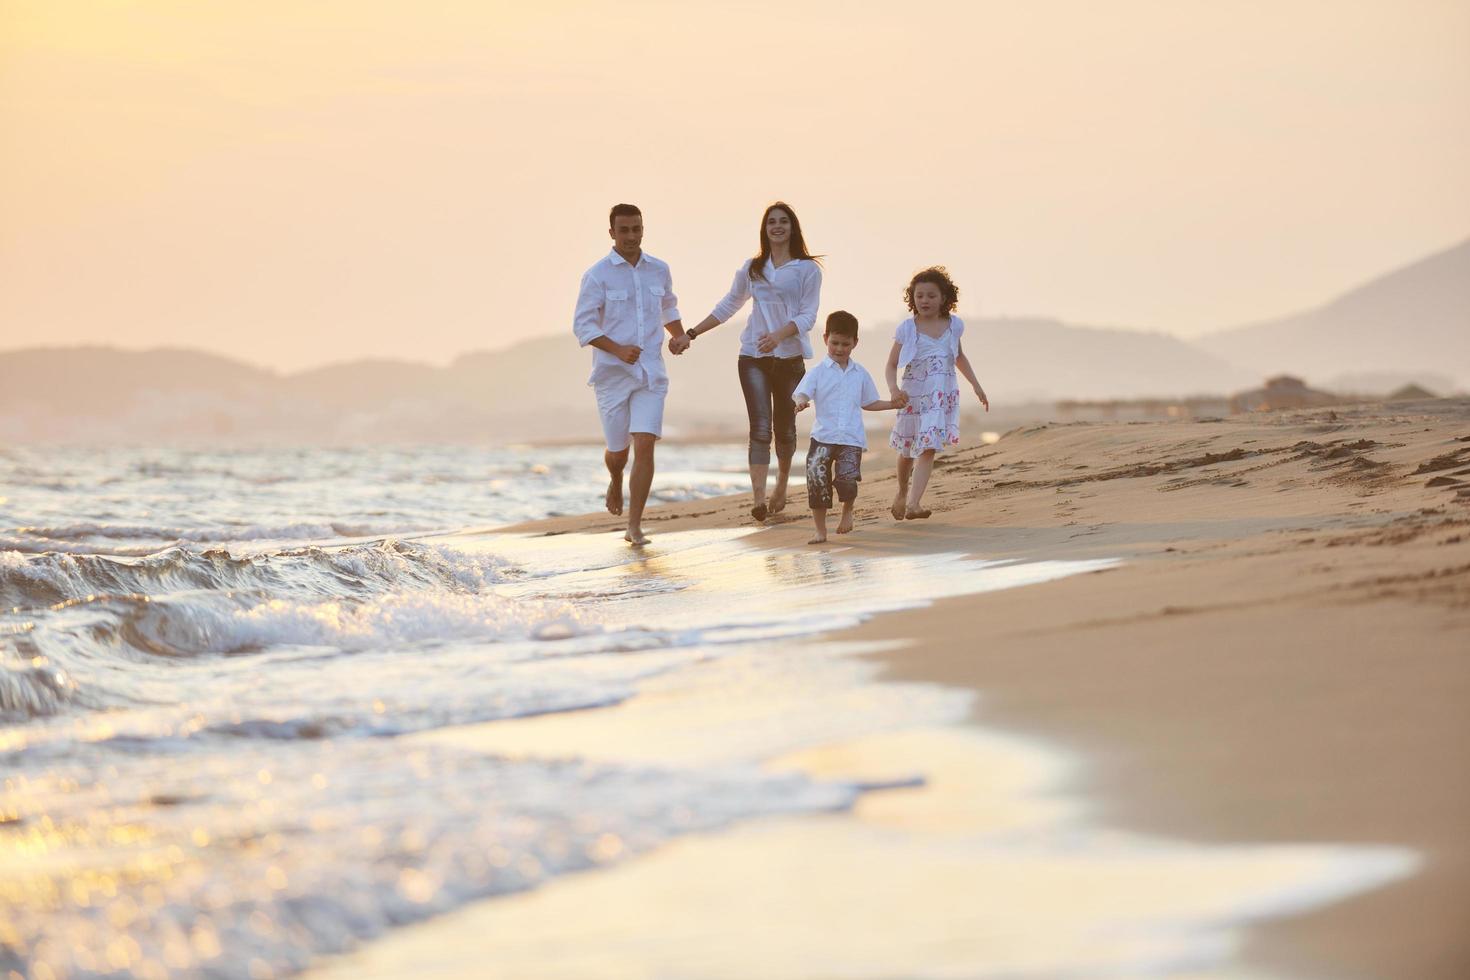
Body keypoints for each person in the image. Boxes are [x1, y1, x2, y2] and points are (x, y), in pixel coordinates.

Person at [676, 202, 822, 523]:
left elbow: (808, 315)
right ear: (764, 228)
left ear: (793, 228)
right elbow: (730, 304)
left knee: (784, 428)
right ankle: (758, 499)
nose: (777, 226)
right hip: (752, 357)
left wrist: (779, 336)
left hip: (789, 359)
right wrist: (692, 333)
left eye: (784, 221)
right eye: (772, 222)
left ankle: (781, 483)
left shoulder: (806, 269)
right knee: (759, 427)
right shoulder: (753, 268)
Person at [572, 203, 688, 545]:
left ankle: (634, 526)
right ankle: (615, 478)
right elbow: (583, 325)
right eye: (624, 230)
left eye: (636, 229)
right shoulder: (597, 275)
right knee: (618, 451)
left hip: (651, 373)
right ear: (611, 233)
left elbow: (668, 306)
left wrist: (677, 336)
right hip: (611, 376)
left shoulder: (659, 269)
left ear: (642, 229)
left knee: (646, 445)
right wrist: (618, 350)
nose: (631, 236)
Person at [793, 311, 908, 544]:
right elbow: (801, 393)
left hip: (851, 438)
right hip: (822, 437)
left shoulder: (860, 374)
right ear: (825, 339)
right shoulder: (818, 372)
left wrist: (891, 404)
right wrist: (800, 403)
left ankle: (847, 512)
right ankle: (820, 530)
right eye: (835, 343)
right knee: (816, 480)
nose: (839, 348)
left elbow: (868, 402)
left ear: (855, 342)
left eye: (845, 344)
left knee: (846, 479)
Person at [885, 266, 989, 520]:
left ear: (944, 298)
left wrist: (976, 384)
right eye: (919, 295)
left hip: (940, 397)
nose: (925, 301)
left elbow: (959, 356)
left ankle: (914, 504)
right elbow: (890, 365)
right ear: (912, 298)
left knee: (928, 447)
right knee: (907, 449)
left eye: (931, 295)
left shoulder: (954, 326)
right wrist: (894, 390)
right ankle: (901, 491)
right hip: (912, 397)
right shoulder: (907, 329)